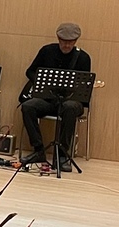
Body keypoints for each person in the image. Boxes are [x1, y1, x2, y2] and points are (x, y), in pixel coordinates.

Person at [20, 22, 91, 167]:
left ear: (76, 41)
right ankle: (39, 150)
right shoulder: (47, 51)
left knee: (70, 107)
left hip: (71, 102)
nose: (67, 45)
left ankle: (62, 154)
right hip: (48, 100)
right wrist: (42, 82)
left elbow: (84, 84)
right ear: (58, 39)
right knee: (28, 106)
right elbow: (30, 71)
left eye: (70, 42)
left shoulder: (83, 58)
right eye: (63, 41)